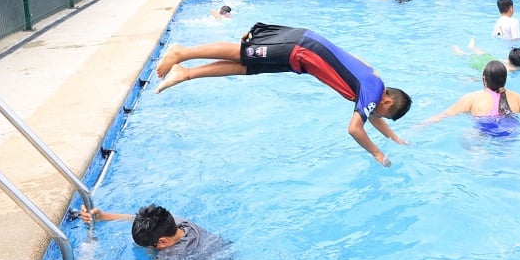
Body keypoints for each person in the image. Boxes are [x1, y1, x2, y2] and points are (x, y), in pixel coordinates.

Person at [155, 23, 412, 166]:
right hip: (300, 49)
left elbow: (373, 116)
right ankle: (182, 53)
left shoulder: (375, 81)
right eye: (386, 114)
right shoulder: (370, 94)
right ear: (387, 102)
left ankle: (186, 72)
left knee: (247, 68)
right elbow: (355, 129)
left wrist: (395, 139)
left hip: (303, 54)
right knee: (241, 53)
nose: (379, 116)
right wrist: (377, 153)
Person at [60, 204, 230, 260]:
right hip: (222, 246)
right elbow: (139, 219)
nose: (151, 248)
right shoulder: (179, 223)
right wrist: (105, 216)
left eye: (151, 246)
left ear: (162, 242)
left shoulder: (171, 256)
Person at [425, 60, 520, 123]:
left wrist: (421, 125)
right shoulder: (517, 98)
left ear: (484, 79)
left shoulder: (471, 98)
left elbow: (444, 115)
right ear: (505, 79)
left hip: (485, 129)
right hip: (511, 129)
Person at [452, 36, 520, 71]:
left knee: (469, 55)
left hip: (488, 63)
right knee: (469, 55)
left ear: (509, 59)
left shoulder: (506, 70)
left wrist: (471, 79)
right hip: (493, 63)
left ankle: (467, 48)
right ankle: (467, 49)